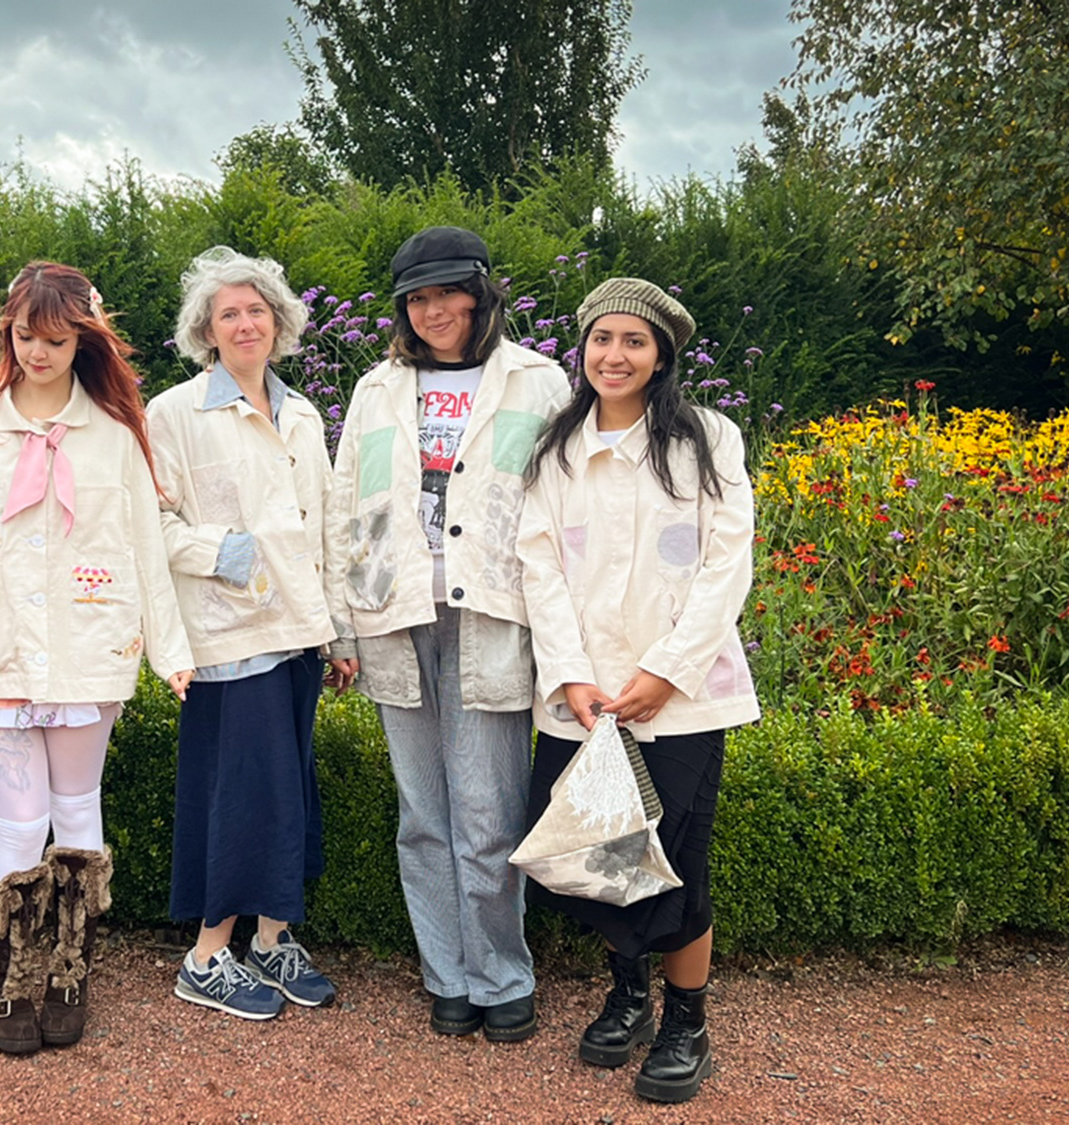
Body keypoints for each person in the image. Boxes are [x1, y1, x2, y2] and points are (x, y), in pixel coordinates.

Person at [0, 262, 194, 1057]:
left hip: (89, 647)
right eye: (26, 335)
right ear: (9, 331)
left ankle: (71, 968)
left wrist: (172, 650)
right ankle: (11, 970)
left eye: (56, 340)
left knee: (78, 812)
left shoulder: (113, 430)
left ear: (82, 342)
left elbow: (144, 545)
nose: (38, 352)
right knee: (23, 821)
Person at [324, 226, 572, 1043]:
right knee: (423, 814)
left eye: (448, 294)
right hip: (394, 616)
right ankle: (448, 975)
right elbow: (345, 506)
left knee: (489, 812)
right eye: (417, 299)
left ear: (481, 293)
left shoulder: (536, 382)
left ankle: (502, 974)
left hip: (492, 615)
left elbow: (563, 505)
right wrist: (342, 626)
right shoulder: (376, 389)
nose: (433, 311)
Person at [517, 277, 759, 1104]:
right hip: (585, 699)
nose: (614, 355)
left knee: (676, 861)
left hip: (681, 699)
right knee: (603, 855)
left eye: (634, 341)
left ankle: (687, 1021)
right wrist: (571, 673)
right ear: (581, 349)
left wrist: (668, 671)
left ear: (661, 357)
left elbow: (727, 562)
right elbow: (540, 565)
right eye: (601, 338)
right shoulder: (557, 450)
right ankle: (629, 994)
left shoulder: (708, 440)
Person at [148, 247, 352, 1021]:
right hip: (229, 633)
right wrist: (224, 553)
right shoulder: (174, 414)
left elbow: (323, 526)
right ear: (206, 329)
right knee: (239, 796)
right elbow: (151, 523)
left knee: (286, 791)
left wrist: (335, 631)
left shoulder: (302, 414)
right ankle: (205, 957)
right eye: (228, 312)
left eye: (256, 310)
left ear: (279, 322)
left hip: (297, 630)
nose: (244, 323)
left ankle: (270, 939)